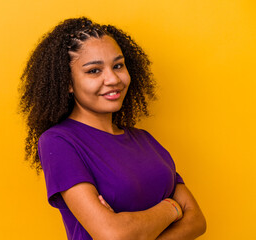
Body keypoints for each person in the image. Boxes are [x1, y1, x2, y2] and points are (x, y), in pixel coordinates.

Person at [19, 17, 206, 240]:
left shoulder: (144, 140)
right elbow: (114, 235)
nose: (113, 79)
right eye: (94, 71)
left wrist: (132, 228)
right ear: (67, 83)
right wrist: (172, 208)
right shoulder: (59, 141)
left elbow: (197, 221)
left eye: (118, 66)